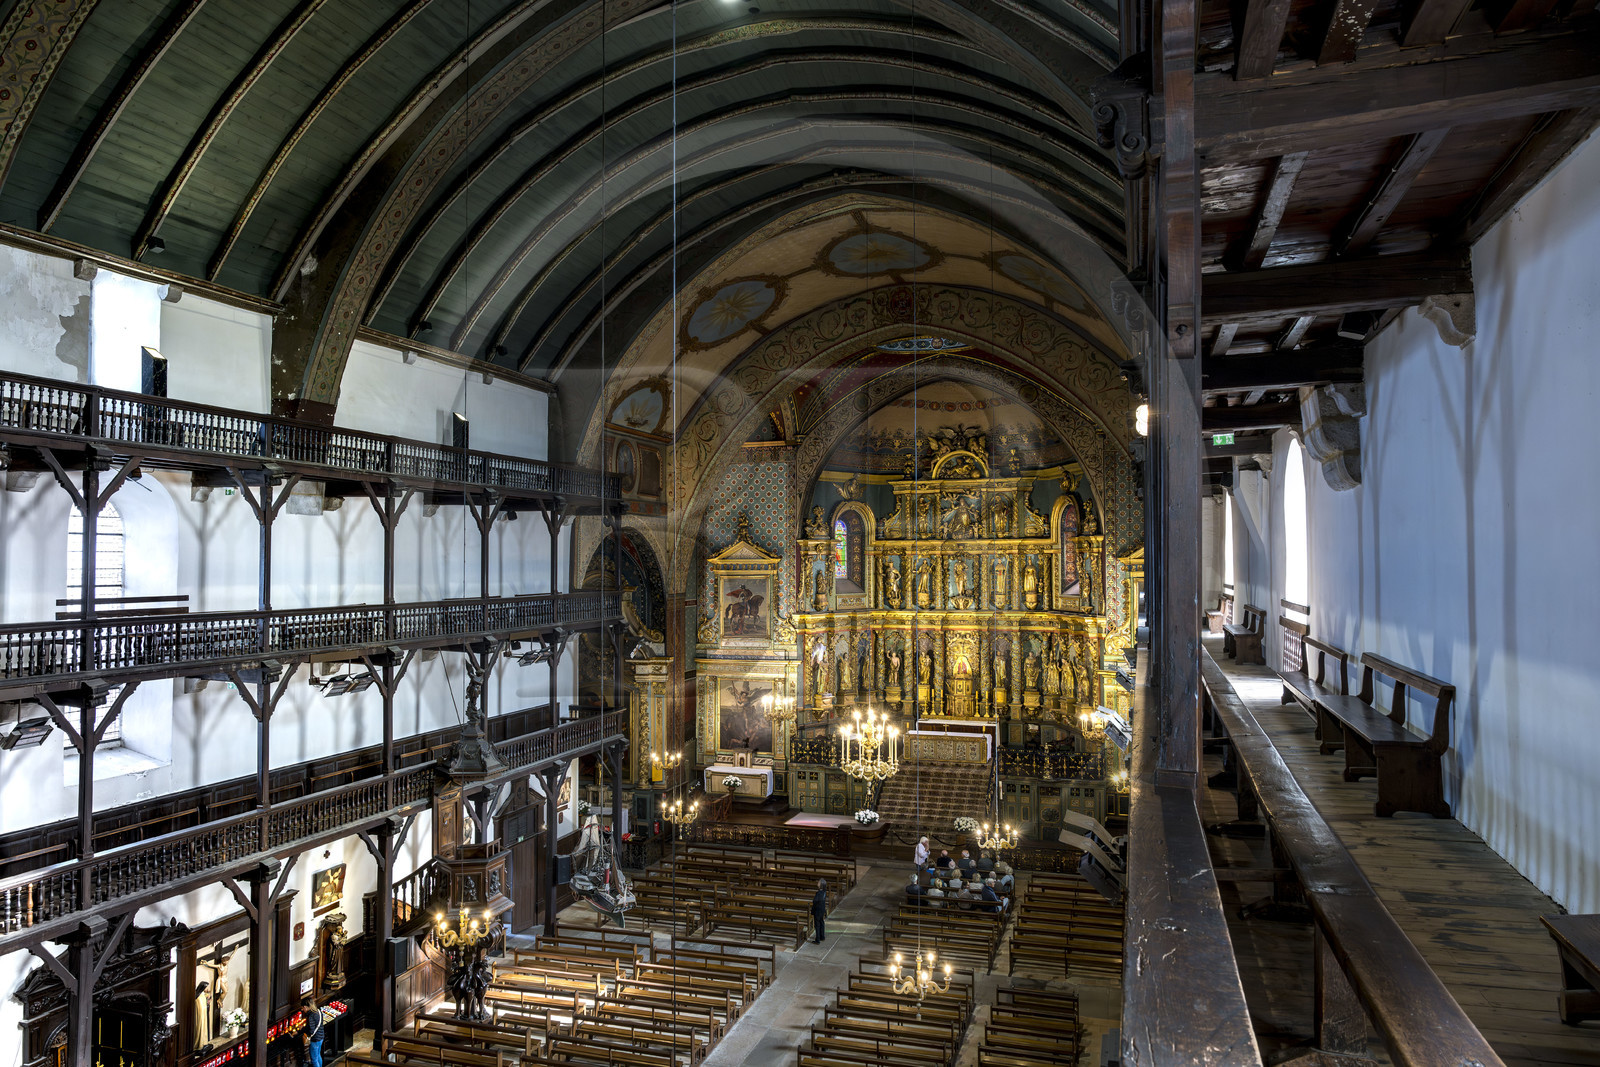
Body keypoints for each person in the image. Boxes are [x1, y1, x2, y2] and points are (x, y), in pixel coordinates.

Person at [301, 999, 325, 1067]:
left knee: (314, 1060)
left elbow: (311, 1030)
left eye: (302, 1008)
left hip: (315, 1039)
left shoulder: (311, 1016)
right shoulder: (318, 1011)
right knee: (318, 1056)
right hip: (321, 1037)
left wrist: (302, 1029)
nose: (302, 1010)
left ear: (305, 1007)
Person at [811, 877, 828, 943]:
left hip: (817, 911)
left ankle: (817, 939)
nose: (817, 883)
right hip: (822, 910)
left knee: (817, 925)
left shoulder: (819, 893)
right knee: (821, 922)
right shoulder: (824, 892)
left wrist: (813, 911)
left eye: (818, 882)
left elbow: (815, 901)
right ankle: (822, 936)